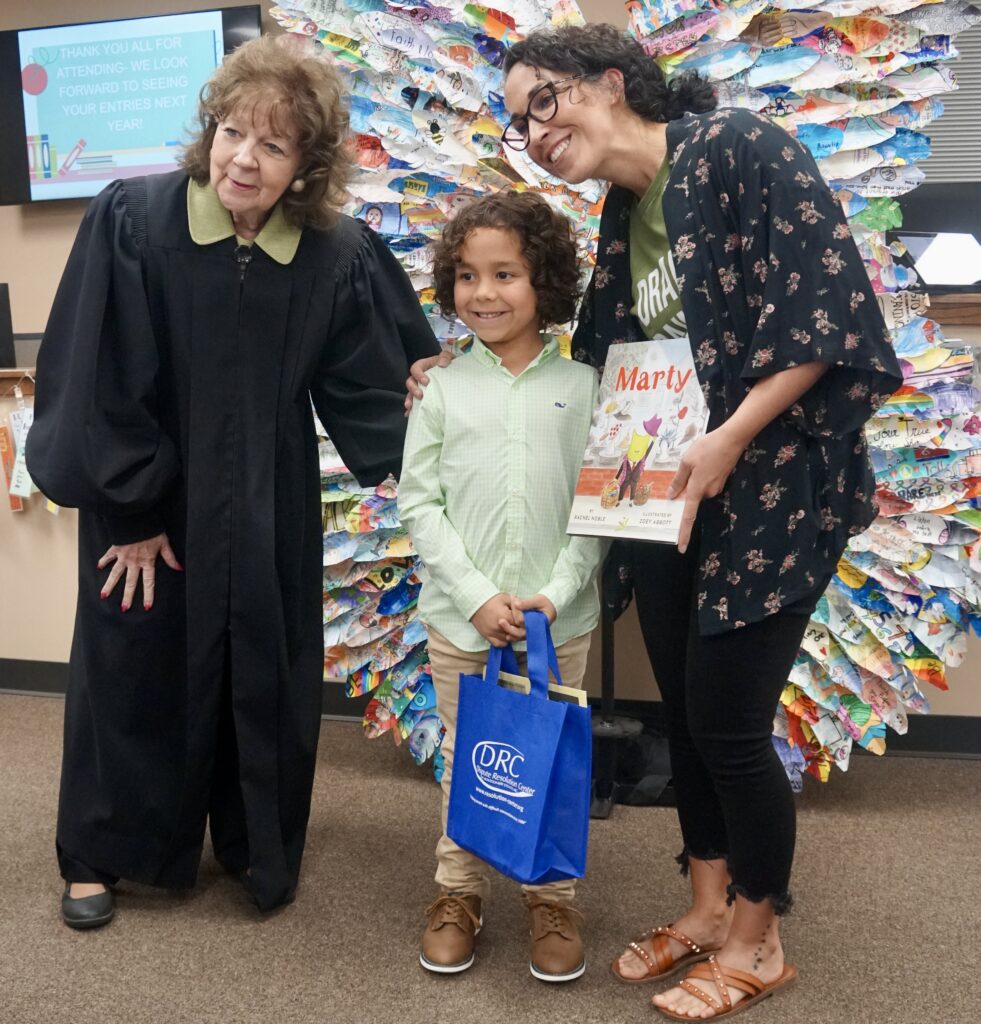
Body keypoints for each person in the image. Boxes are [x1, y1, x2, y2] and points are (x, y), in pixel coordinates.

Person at [406, 23, 903, 1020]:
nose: (534, 132)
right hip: (666, 505)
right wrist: (461, 363)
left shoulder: (739, 148)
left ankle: (759, 941)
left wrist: (730, 438)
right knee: (686, 716)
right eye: (517, 123)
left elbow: (827, 318)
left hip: (768, 491)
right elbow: (604, 359)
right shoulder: (625, 213)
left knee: (728, 725)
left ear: (610, 79)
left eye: (542, 102)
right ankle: (708, 908)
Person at [27, 35, 439, 929]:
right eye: (231, 132)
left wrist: (434, 404)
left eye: (274, 144)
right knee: (133, 668)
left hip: (265, 500)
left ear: (306, 165)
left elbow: (373, 385)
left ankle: (255, 843)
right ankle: (101, 852)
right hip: (148, 505)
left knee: (263, 666)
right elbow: (97, 374)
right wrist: (130, 507)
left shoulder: (333, 255)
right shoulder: (135, 220)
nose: (243, 158)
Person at [397, 192, 604, 982]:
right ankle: (458, 892)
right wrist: (478, 596)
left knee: (548, 758)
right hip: (462, 621)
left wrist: (553, 592)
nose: (483, 293)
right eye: (466, 276)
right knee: (469, 754)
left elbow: (600, 502)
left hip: (561, 620)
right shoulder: (442, 387)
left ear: (542, 281)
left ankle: (551, 897)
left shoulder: (584, 386)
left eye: (505, 274)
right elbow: (420, 500)